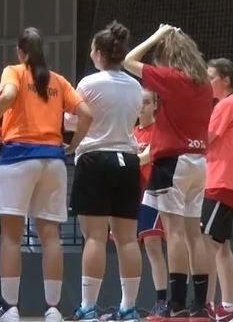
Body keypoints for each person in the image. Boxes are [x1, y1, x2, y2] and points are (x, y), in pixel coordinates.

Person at [0, 27, 93, 322]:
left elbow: (8, 95)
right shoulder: (58, 81)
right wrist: (73, 144)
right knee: (51, 237)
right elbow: (87, 114)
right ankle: (54, 309)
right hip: (53, 161)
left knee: (11, 236)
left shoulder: (15, 72)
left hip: (18, 157)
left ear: (21, 52)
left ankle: (10, 309)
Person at [122, 24, 214, 321]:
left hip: (172, 164)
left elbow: (128, 60)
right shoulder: (205, 85)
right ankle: (200, 307)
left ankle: (175, 305)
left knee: (173, 233)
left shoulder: (172, 79)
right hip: (199, 163)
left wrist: (157, 35)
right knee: (193, 235)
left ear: (169, 57)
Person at [65, 22, 143, 322]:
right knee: (127, 239)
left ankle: (87, 308)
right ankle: (129, 308)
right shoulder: (136, 87)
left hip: (95, 160)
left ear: (98, 53)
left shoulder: (88, 84)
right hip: (127, 162)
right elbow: (133, 121)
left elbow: (72, 121)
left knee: (95, 238)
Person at [201, 59, 233, 322]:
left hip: (219, 183)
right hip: (226, 183)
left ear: (225, 80)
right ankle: (228, 309)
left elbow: (205, 137)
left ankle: (205, 306)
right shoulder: (231, 104)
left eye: (210, 77)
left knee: (206, 244)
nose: (207, 83)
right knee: (221, 247)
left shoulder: (227, 104)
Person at [134, 89, 169, 317]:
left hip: (154, 194)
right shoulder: (131, 132)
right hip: (133, 196)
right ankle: (128, 304)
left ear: (156, 105)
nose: (142, 106)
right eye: (139, 102)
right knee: (133, 249)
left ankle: (163, 302)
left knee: (153, 248)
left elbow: (143, 158)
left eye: (146, 102)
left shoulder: (160, 131)